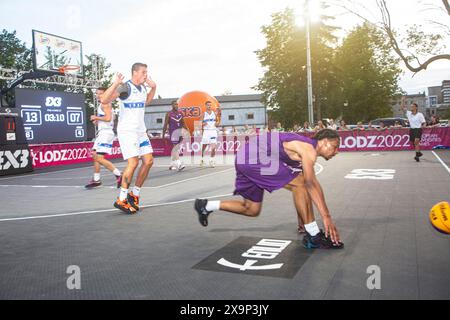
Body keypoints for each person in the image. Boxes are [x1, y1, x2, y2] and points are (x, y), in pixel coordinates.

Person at [194, 129, 344, 249]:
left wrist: (302, 220)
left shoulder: (304, 152)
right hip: (254, 156)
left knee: (251, 209)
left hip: (245, 157)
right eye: (335, 146)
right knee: (301, 183)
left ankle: (206, 205)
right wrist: (326, 217)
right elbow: (310, 184)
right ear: (324, 142)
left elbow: (304, 190)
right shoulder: (308, 149)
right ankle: (314, 237)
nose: (337, 151)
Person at [101, 63, 157, 214]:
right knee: (133, 163)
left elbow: (147, 102)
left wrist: (154, 88)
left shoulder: (143, 88)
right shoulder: (125, 87)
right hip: (127, 131)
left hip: (140, 131)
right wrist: (115, 84)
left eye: (146, 72)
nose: (146, 75)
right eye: (144, 72)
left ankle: (135, 195)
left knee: (149, 161)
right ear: (135, 73)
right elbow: (104, 100)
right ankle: (122, 199)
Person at [85, 87, 122, 189]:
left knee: (99, 158)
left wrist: (96, 117)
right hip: (103, 132)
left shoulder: (105, 103)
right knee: (95, 155)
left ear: (107, 94)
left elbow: (108, 118)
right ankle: (96, 180)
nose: (98, 95)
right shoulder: (104, 104)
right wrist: (98, 121)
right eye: (97, 93)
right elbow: (109, 119)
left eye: (101, 93)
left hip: (105, 133)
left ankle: (119, 174)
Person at [163, 100, 188, 171]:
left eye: (177, 104)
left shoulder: (180, 113)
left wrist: (188, 131)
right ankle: (179, 164)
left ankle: (172, 164)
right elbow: (165, 125)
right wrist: (163, 134)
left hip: (180, 133)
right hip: (173, 133)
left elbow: (183, 123)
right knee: (175, 148)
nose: (176, 106)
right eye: (175, 104)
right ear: (172, 105)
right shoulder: (168, 114)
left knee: (176, 149)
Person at [200, 101, 220, 167]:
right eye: (208, 105)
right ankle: (202, 159)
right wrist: (203, 124)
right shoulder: (203, 114)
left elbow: (217, 123)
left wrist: (217, 123)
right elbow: (198, 124)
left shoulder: (214, 113)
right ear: (205, 106)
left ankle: (211, 160)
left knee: (213, 147)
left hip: (213, 131)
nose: (209, 106)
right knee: (204, 147)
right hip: (206, 132)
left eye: (210, 105)